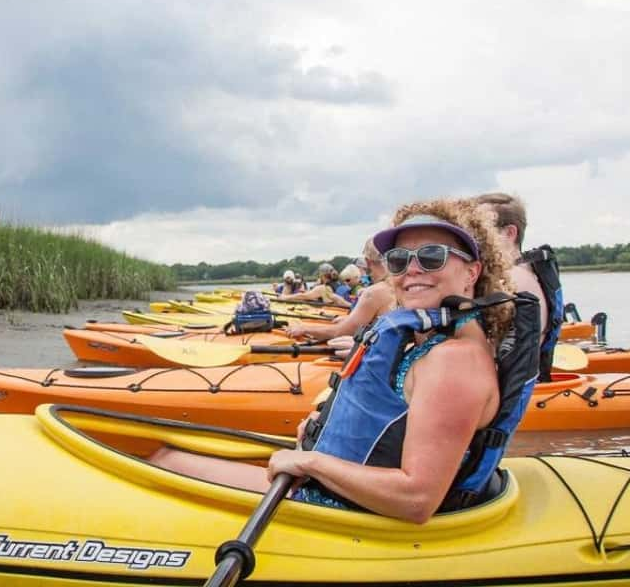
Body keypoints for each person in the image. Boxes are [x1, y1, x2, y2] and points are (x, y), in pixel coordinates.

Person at [151, 199, 525, 523]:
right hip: (339, 497)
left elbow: (417, 500)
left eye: (432, 257)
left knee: (165, 463)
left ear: (472, 272)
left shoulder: (454, 362)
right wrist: (325, 434)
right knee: (166, 455)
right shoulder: (435, 342)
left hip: (341, 515)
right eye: (398, 260)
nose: (412, 269)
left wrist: (312, 463)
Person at [474, 192, 566, 379]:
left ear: (509, 233)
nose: (470, 239)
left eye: (478, 230)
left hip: (512, 394)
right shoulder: (529, 273)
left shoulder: (512, 280)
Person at [285, 238, 395, 343]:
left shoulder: (374, 292)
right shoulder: (400, 287)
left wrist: (305, 329)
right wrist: (350, 319)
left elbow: (341, 332)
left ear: (367, 261)